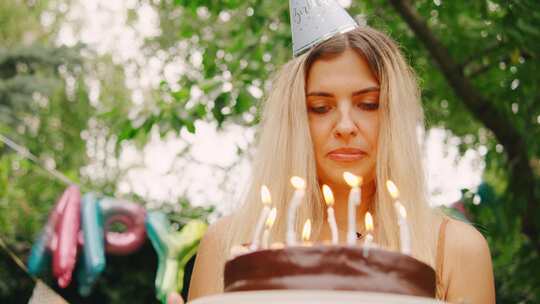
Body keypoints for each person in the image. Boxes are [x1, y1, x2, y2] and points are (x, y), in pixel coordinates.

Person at [176, 4, 495, 304]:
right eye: (320, 107)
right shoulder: (229, 245)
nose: (345, 126)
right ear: (295, 122)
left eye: (368, 104)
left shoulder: (456, 250)